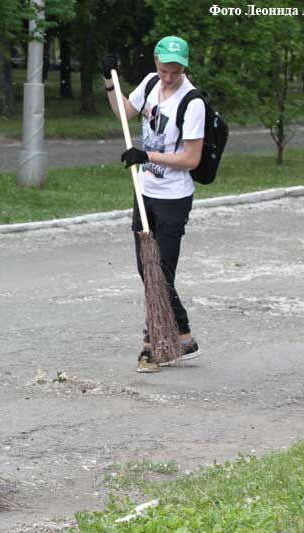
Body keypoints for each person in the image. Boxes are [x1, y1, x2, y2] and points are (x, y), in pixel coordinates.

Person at [102, 36, 203, 373]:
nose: (168, 78)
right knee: (146, 267)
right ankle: (184, 336)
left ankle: (152, 342)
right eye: (163, 71)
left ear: (184, 68)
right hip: (144, 189)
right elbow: (123, 114)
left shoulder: (192, 103)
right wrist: (108, 80)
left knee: (161, 270)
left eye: (175, 72)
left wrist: (147, 155)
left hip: (174, 198)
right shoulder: (149, 84)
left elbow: (191, 158)